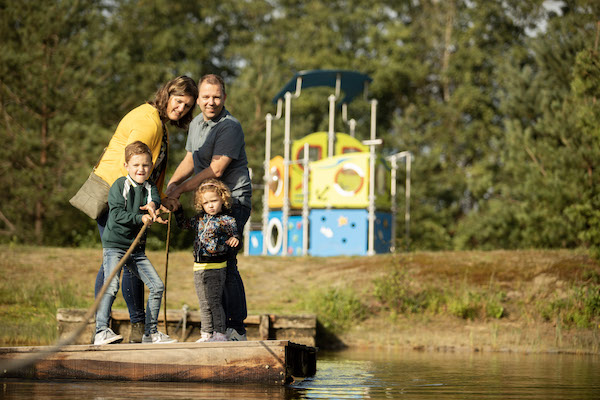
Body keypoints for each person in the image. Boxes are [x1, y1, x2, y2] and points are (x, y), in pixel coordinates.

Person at [93, 76, 198, 343]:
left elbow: (145, 175)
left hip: (133, 201)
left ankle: (139, 332)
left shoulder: (156, 121)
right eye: (178, 101)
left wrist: (161, 198)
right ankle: (107, 331)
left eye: (187, 106)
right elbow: (134, 166)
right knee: (118, 260)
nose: (181, 109)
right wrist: (142, 207)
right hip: (117, 201)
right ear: (166, 95)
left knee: (125, 261)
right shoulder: (148, 122)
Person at [165, 74, 252, 341]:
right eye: (205, 97)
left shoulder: (230, 127)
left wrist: (181, 190)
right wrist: (172, 184)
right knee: (212, 263)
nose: (211, 102)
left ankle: (235, 327)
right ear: (199, 99)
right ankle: (216, 329)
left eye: (216, 97)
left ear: (224, 98)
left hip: (233, 201)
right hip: (210, 201)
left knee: (227, 261)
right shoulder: (196, 125)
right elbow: (191, 158)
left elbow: (216, 169)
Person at [95, 141, 176, 345]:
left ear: (151, 165)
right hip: (115, 245)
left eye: (146, 165)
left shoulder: (149, 187)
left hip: (136, 249)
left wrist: (153, 207)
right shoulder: (119, 185)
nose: (141, 169)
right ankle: (101, 331)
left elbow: (154, 199)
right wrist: (141, 218)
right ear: (126, 166)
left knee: (157, 286)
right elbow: (117, 214)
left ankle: (150, 333)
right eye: (137, 165)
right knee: (112, 286)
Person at [175, 178, 240, 342]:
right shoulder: (198, 220)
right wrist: (177, 210)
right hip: (199, 267)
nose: (210, 205)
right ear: (201, 204)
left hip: (216, 266)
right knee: (203, 302)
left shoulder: (226, 220)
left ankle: (220, 333)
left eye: (214, 201)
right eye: (206, 203)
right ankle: (206, 333)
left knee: (214, 301)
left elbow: (235, 235)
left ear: (222, 199)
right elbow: (183, 225)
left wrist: (235, 239)